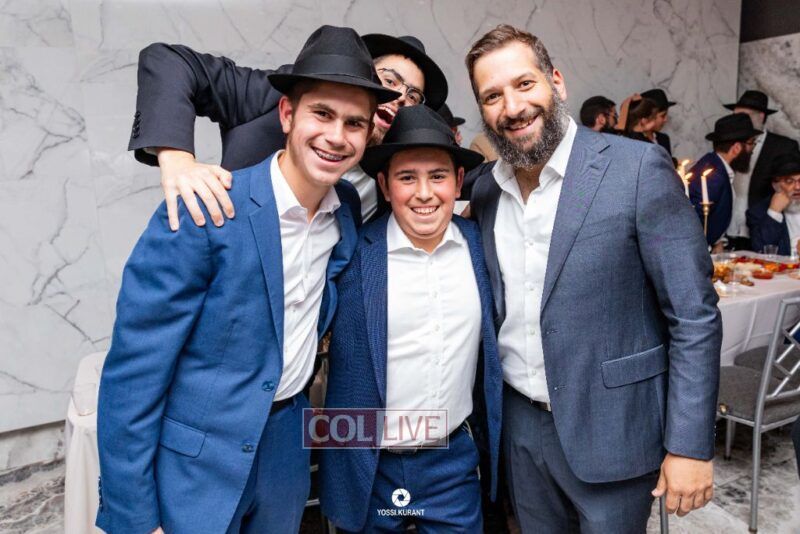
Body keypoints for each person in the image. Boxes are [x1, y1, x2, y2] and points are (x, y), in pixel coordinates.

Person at [95, 26, 395, 534]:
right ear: (287, 115)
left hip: (285, 453)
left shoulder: (344, 210)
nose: (336, 136)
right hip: (196, 465)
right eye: (322, 114)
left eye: (354, 123)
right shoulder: (207, 208)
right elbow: (133, 375)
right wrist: (135, 519)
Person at [464, 24, 721, 532]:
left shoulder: (637, 169)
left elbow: (693, 315)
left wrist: (690, 445)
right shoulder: (486, 191)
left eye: (524, 84)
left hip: (615, 429)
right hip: (520, 430)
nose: (512, 107)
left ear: (556, 82)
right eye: (492, 96)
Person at [319, 105, 502, 532]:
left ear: (458, 180)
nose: (424, 193)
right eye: (406, 178)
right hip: (370, 468)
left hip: (452, 463)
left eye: (437, 176)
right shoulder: (349, 256)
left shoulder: (482, 247)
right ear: (384, 185)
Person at [129, 33, 448, 226]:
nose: (399, 97)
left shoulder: (394, 176)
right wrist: (177, 159)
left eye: (413, 96)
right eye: (389, 80)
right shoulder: (276, 94)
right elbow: (168, 60)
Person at [725, 90, 800, 249]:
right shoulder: (730, 144)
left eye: (743, 116)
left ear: (761, 116)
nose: (737, 121)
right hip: (730, 226)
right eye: (735, 116)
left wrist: (773, 211)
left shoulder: (783, 146)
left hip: (764, 225)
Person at [688, 113, 761, 248]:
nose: (752, 149)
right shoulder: (713, 176)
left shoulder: (716, 166)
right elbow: (693, 222)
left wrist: (718, 242)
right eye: (751, 143)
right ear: (736, 148)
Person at [746, 151, 800, 256]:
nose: (798, 187)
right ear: (776, 185)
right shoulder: (758, 212)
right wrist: (774, 212)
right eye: (789, 181)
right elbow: (761, 250)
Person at [641, 88, 676, 155]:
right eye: (662, 116)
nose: (665, 120)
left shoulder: (664, 139)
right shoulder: (636, 141)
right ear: (648, 117)